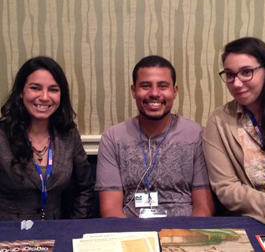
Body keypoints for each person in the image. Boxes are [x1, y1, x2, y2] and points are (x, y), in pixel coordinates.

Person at [95, 55, 215, 218]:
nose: (154, 93)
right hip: (131, 233)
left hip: (185, 232)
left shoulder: (196, 136)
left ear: (174, 91)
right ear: (133, 91)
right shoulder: (113, 138)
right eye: (145, 86)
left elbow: (204, 208)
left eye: (163, 86)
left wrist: (184, 239)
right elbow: (110, 210)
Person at [203, 37, 265, 230]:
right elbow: (226, 188)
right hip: (246, 221)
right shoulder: (219, 122)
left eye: (246, 72)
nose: (236, 83)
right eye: (230, 75)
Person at [0, 56, 94, 220]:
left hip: (55, 231)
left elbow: (85, 188)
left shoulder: (68, 134)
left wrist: (76, 225)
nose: (44, 97)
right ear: (21, 92)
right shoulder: (2, 135)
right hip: (8, 234)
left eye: (53, 89)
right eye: (35, 88)